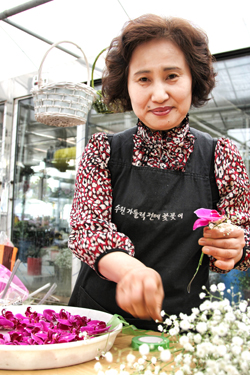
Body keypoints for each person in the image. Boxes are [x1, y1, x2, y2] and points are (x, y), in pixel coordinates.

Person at [68, 14, 250, 330]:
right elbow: (88, 229)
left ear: (193, 79)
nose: (159, 94)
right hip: (98, 323)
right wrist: (130, 271)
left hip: (182, 327)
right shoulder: (103, 151)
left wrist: (236, 246)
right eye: (143, 79)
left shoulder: (221, 157)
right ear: (126, 85)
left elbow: (241, 232)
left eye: (172, 76)